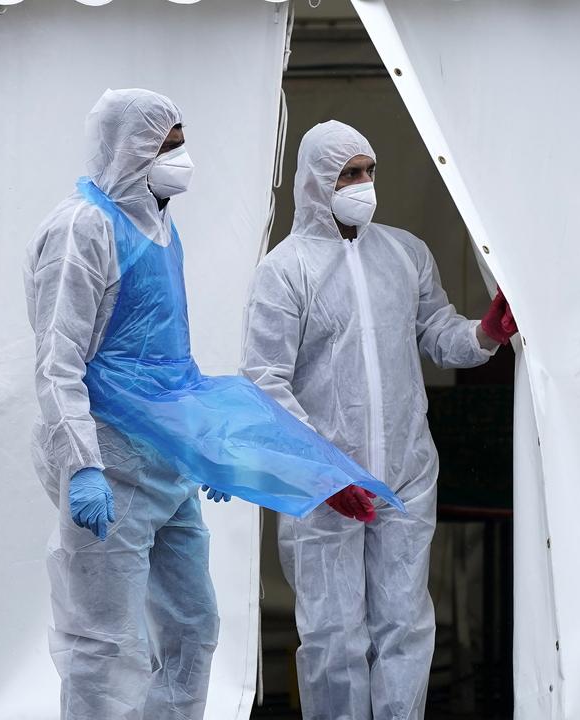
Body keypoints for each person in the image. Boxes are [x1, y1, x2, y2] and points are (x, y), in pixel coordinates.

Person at [25, 92, 400, 720]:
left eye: (179, 141)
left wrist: (202, 449)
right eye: (166, 145)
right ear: (128, 150)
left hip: (166, 463)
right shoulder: (81, 229)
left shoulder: (159, 227)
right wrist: (82, 464)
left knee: (191, 629)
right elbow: (57, 360)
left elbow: (167, 363)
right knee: (105, 642)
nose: (181, 158)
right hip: (111, 464)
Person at [241, 120, 519, 720]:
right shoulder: (285, 271)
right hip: (324, 487)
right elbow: (266, 383)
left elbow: (438, 333)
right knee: (333, 638)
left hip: (405, 476)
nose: (363, 185)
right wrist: (326, 475)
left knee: (404, 625)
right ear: (317, 181)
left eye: (369, 171)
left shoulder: (403, 251)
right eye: (349, 174)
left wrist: (485, 334)